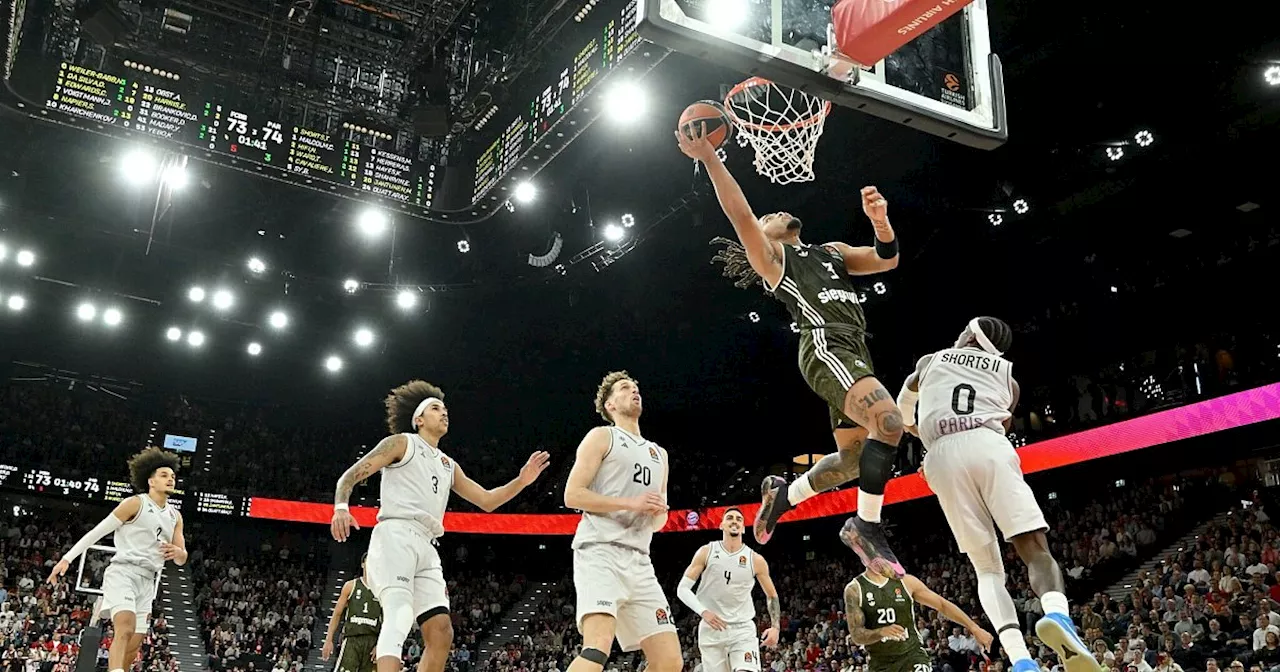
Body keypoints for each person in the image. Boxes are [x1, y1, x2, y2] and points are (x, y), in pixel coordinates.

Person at [676, 124, 905, 577]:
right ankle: (866, 525)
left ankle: (784, 495)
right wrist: (709, 158)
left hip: (855, 348)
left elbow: (887, 259)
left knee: (857, 460)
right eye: (767, 218)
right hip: (825, 344)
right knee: (890, 421)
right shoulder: (776, 261)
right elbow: (741, 215)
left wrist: (880, 222)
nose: (773, 212)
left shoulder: (832, 252)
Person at [897, 317, 1099, 672]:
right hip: (987, 444)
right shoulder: (1010, 378)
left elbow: (904, 402)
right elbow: (1000, 422)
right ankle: (1057, 615)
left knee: (987, 569)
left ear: (971, 335)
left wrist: (914, 427)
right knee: (1034, 548)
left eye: (963, 331)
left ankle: (1020, 659)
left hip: (940, 456)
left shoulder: (931, 360)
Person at [330, 380, 551, 672]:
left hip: (428, 544)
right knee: (400, 613)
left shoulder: (448, 464)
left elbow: (487, 500)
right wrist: (341, 508)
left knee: (442, 631)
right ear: (418, 419)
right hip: (396, 534)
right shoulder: (402, 443)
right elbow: (351, 475)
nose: (444, 413)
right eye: (436, 408)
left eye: (445, 409)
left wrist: (521, 481)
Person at [562, 371, 682, 672]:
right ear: (610, 404)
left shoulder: (659, 454)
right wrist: (631, 503)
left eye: (636, 387)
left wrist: (659, 514)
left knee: (669, 661)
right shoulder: (602, 436)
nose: (634, 391)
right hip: (601, 551)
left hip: (640, 560)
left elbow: (658, 521)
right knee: (596, 651)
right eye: (625, 388)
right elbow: (572, 495)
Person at [47, 447, 187, 672]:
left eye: (173, 476)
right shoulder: (135, 504)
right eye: (164, 475)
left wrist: (179, 554)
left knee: (135, 642)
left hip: (149, 580)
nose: (171, 479)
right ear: (150, 481)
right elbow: (97, 532)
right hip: (124, 572)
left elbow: (182, 557)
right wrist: (67, 558)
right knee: (125, 627)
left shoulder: (175, 516)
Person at [677, 507, 782, 672]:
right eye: (730, 518)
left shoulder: (755, 560)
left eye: (739, 519)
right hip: (712, 629)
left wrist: (775, 627)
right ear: (721, 525)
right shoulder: (706, 552)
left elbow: (772, 596)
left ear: (743, 528)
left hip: (742, 630)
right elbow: (682, 589)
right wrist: (703, 612)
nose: (735, 521)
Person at [843, 567, 992, 672]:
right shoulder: (855, 589)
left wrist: (974, 628)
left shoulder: (906, 582)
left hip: (911, 655)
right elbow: (856, 636)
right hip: (880, 663)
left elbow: (941, 605)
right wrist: (881, 632)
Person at [323, 554, 382, 672]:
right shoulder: (351, 586)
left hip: (372, 641)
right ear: (362, 564)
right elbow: (337, 614)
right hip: (352, 639)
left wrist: (380, 645)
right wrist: (328, 640)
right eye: (368, 561)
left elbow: (388, 621)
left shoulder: (382, 589)